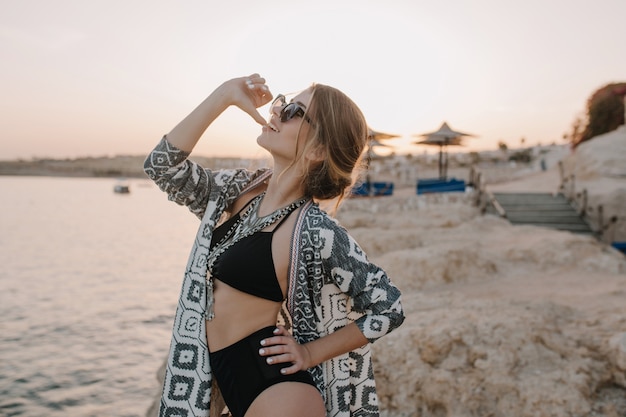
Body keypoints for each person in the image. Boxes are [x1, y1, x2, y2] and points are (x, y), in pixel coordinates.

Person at [144, 74, 404, 417]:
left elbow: (389, 307)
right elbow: (161, 165)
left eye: (294, 110)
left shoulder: (316, 231)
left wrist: (310, 354)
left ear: (318, 150)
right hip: (214, 376)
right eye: (282, 101)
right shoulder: (235, 190)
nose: (277, 111)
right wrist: (223, 96)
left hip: (276, 393)